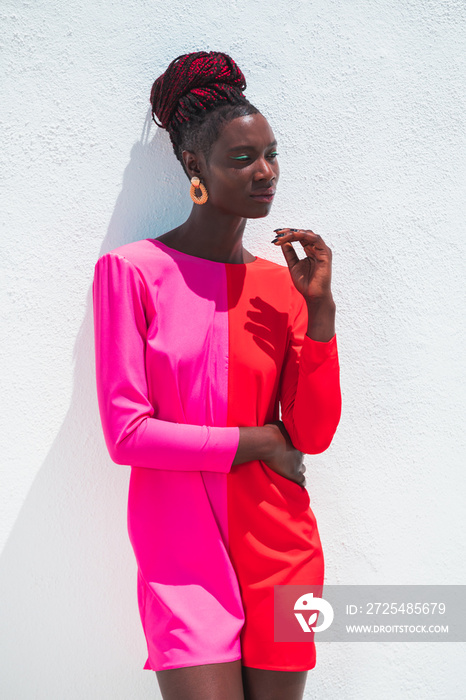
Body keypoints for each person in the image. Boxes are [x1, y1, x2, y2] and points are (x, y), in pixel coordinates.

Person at [92, 50, 342, 700]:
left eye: (272, 155)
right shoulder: (133, 273)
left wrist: (319, 314)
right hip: (180, 555)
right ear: (194, 166)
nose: (266, 174)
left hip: (281, 550)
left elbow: (311, 435)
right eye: (243, 159)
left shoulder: (281, 286)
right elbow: (127, 435)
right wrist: (254, 442)